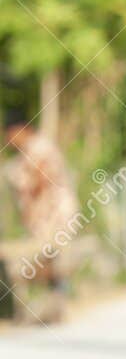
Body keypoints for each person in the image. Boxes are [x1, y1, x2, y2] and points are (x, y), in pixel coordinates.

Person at [2, 115, 79, 321]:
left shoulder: (40, 148)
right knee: (46, 261)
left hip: (55, 216)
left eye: (10, 134)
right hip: (44, 219)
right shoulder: (27, 152)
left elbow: (40, 179)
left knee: (50, 261)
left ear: (21, 129)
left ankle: (56, 305)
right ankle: (51, 307)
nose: (9, 139)